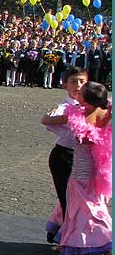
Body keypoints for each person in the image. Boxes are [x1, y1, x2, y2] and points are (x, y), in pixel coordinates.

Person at [46, 82, 111, 255]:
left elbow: (47, 120)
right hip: (98, 170)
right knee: (93, 206)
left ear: (88, 101)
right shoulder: (106, 113)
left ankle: (106, 243)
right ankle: (91, 246)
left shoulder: (79, 115)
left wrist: (52, 116)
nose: (78, 93)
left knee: (83, 209)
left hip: (80, 173)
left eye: (81, 93)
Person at [40, 67, 87, 242]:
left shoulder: (91, 106)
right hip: (64, 157)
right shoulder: (65, 107)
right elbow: (45, 119)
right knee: (70, 200)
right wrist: (71, 117)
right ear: (65, 85)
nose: (78, 85)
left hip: (84, 159)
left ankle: (56, 231)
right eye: (74, 82)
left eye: (82, 81)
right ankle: (70, 241)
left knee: (77, 199)